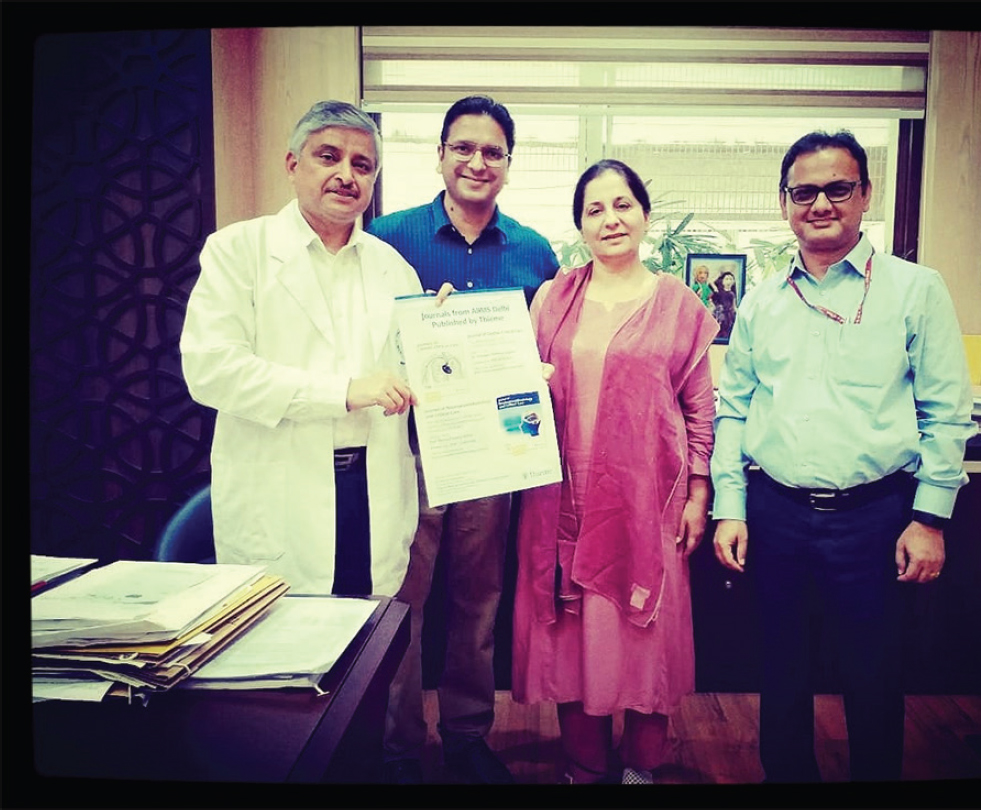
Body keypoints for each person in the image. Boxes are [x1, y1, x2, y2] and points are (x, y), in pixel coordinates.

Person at [710, 130, 976, 783]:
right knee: (780, 672)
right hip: (775, 514)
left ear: (864, 195)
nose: (820, 203)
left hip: (875, 517)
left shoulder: (915, 290)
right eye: (804, 191)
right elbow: (733, 409)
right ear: (783, 203)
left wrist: (930, 518)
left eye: (837, 188)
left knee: (874, 674)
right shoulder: (761, 301)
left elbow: (946, 411)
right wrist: (729, 507)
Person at [366, 95, 559, 785]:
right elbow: (364, 338)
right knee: (402, 605)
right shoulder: (387, 236)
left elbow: (550, 347)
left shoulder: (535, 251)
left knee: (478, 604)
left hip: (492, 456)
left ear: (508, 163)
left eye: (493, 152)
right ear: (441, 155)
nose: (478, 162)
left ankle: (467, 738)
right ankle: (396, 749)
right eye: (464, 148)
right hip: (407, 453)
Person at [512, 159, 718, 785]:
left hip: (646, 504)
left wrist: (699, 492)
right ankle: (584, 766)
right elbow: (516, 390)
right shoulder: (553, 298)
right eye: (595, 209)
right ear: (579, 225)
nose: (610, 219)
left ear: (645, 214)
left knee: (641, 637)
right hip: (560, 500)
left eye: (622, 204)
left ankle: (640, 770)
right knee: (573, 641)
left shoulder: (679, 305)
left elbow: (700, 408)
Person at [180, 100, 423, 599]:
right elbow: (211, 370)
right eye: (328, 156)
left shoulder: (394, 268)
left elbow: (416, 379)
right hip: (281, 489)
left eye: (362, 165)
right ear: (293, 165)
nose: (345, 175)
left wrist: (464, 346)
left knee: (364, 645)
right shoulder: (238, 251)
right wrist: (344, 392)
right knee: (281, 658)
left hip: (373, 488)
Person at [711, 268, 738, 339]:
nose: (729, 281)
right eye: (726, 279)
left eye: (730, 279)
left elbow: (734, 306)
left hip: (729, 316)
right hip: (720, 315)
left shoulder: (732, 294)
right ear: (722, 281)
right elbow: (711, 283)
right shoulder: (718, 292)